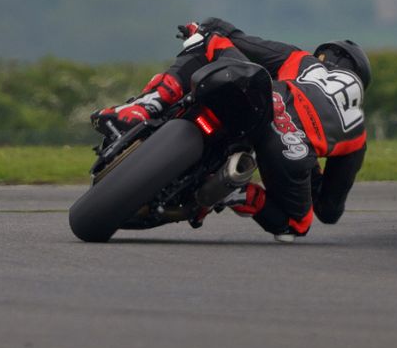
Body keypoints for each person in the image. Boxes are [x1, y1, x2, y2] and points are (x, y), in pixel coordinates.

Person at [92, 18, 369, 242]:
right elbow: (328, 210)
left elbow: (240, 39)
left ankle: (144, 106)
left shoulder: (304, 61)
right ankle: (238, 192)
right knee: (296, 224)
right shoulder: (358, 129)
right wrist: (312, 169)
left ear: (323, 56)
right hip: (289, 146)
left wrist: (201, 30)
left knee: (208, 43)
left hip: (263, 101)